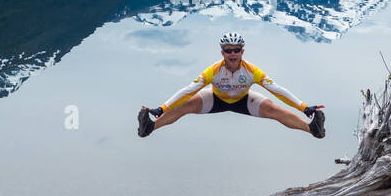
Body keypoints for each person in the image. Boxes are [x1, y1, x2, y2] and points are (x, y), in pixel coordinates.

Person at [138, 32, 325, 139]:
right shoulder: (213, 71)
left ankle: (313, 129)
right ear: (222, 52)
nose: (232, 54)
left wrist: (303, 107)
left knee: (273, 109)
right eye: (228, 50)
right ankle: (149, 127)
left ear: (242, 51)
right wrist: (161, 108)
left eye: (236, 50)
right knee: (185, 105)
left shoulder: (252, 71)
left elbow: (277, 89)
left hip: (242, 99)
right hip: (216, 98)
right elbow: (188, 90)